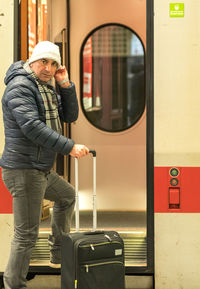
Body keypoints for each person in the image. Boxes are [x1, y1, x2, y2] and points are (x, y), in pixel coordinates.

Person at [0, 41, 89, 289]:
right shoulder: (20, 87)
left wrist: (66, 85)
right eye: (44, 62)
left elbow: (69, 116)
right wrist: (69, 146)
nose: (48, 68)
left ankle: (58, 254)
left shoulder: (46, 87)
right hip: (23, 170)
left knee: (67, 196)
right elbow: (31, 127)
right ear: (32, 61)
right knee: (26, 234)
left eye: (54, 64)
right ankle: (13, 285)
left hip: (39, 168)